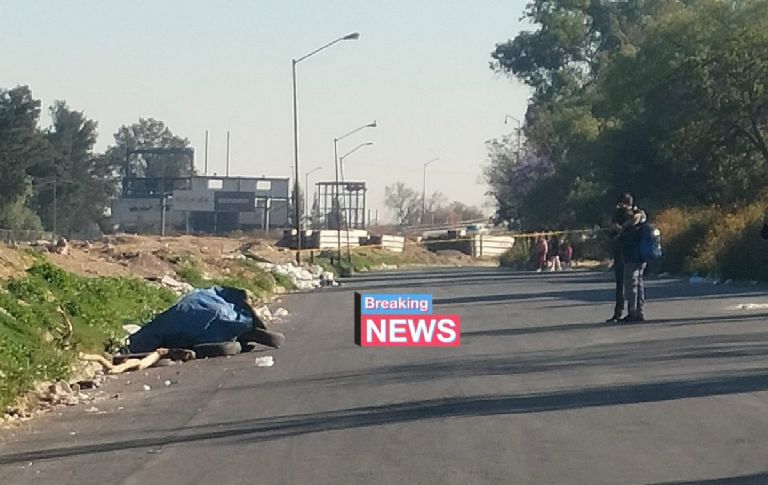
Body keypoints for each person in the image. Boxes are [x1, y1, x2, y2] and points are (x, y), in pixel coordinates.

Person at [606, 193, 646, 322]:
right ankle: (638, 311)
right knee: (637, 282)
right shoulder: (639, 214)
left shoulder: (622, 214)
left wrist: (620, 227)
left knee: (627, 283)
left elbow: (612, 233)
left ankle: (628, 311)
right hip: (639, 253)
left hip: (625, 252)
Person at [620, 210, 651, 322]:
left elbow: (623, 242)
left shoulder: (631, 229)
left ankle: (632, 311)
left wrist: (622, 229)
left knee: (631, 285)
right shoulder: (643, 226)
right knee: (639, 284)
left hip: (631, 258)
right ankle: (640, 310)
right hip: (642, 258)